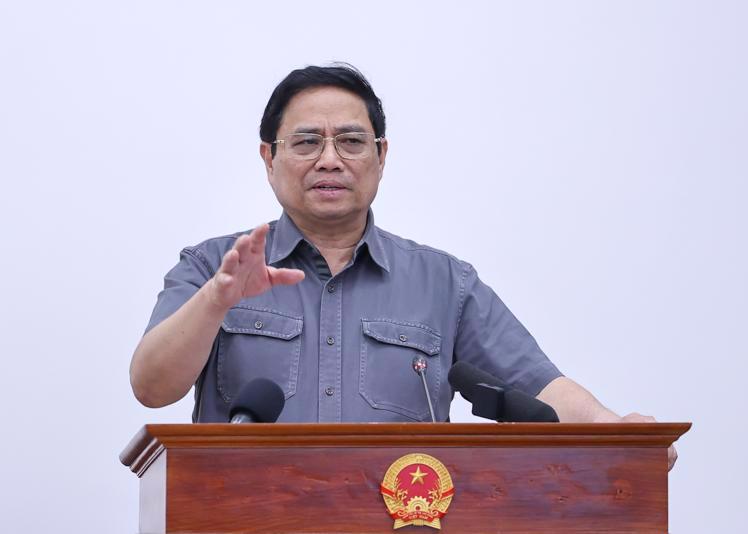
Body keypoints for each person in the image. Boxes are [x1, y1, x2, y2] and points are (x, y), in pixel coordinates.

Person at [130, 64, 676, 469]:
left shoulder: (445, 284)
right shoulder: (212, 267)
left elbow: (538, 386)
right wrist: (216, 300)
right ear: (268, 159)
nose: (329, 159)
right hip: (245, 517)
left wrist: (616, 430)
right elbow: (152, 387)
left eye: (350, 141)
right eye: (305, 142)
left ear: (381, 156)